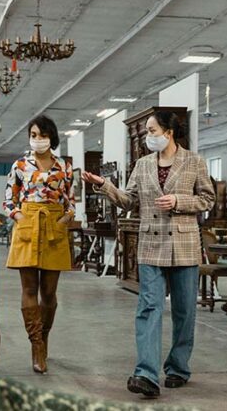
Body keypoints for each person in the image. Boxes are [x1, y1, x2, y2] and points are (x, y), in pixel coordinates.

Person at [82, 111, 215, 397]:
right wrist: (103, 185)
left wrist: (179, 201)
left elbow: (207, 199)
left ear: (168, 132)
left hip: (184, 246)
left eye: (151, 130)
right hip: (150, 246)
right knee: (148, 309)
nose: (147, 136)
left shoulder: (194, 161)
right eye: (145, 132)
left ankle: (178, 367)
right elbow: (129, 200)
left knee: (184, 311)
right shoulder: (142, 165)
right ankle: (146, 375)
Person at [3, 115, 75, 374]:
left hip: (54, 225)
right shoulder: (20, 165)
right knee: (29, 287)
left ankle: (44, 338)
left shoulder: (64, 167)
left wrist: (64, 219)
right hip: (28, 223)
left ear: (51, 137)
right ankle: (36, 346)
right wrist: (21, 217)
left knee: (50, 292)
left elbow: (70, 202)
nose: (37, 139)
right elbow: (8, 201)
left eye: (42, 135)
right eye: (33, 135)